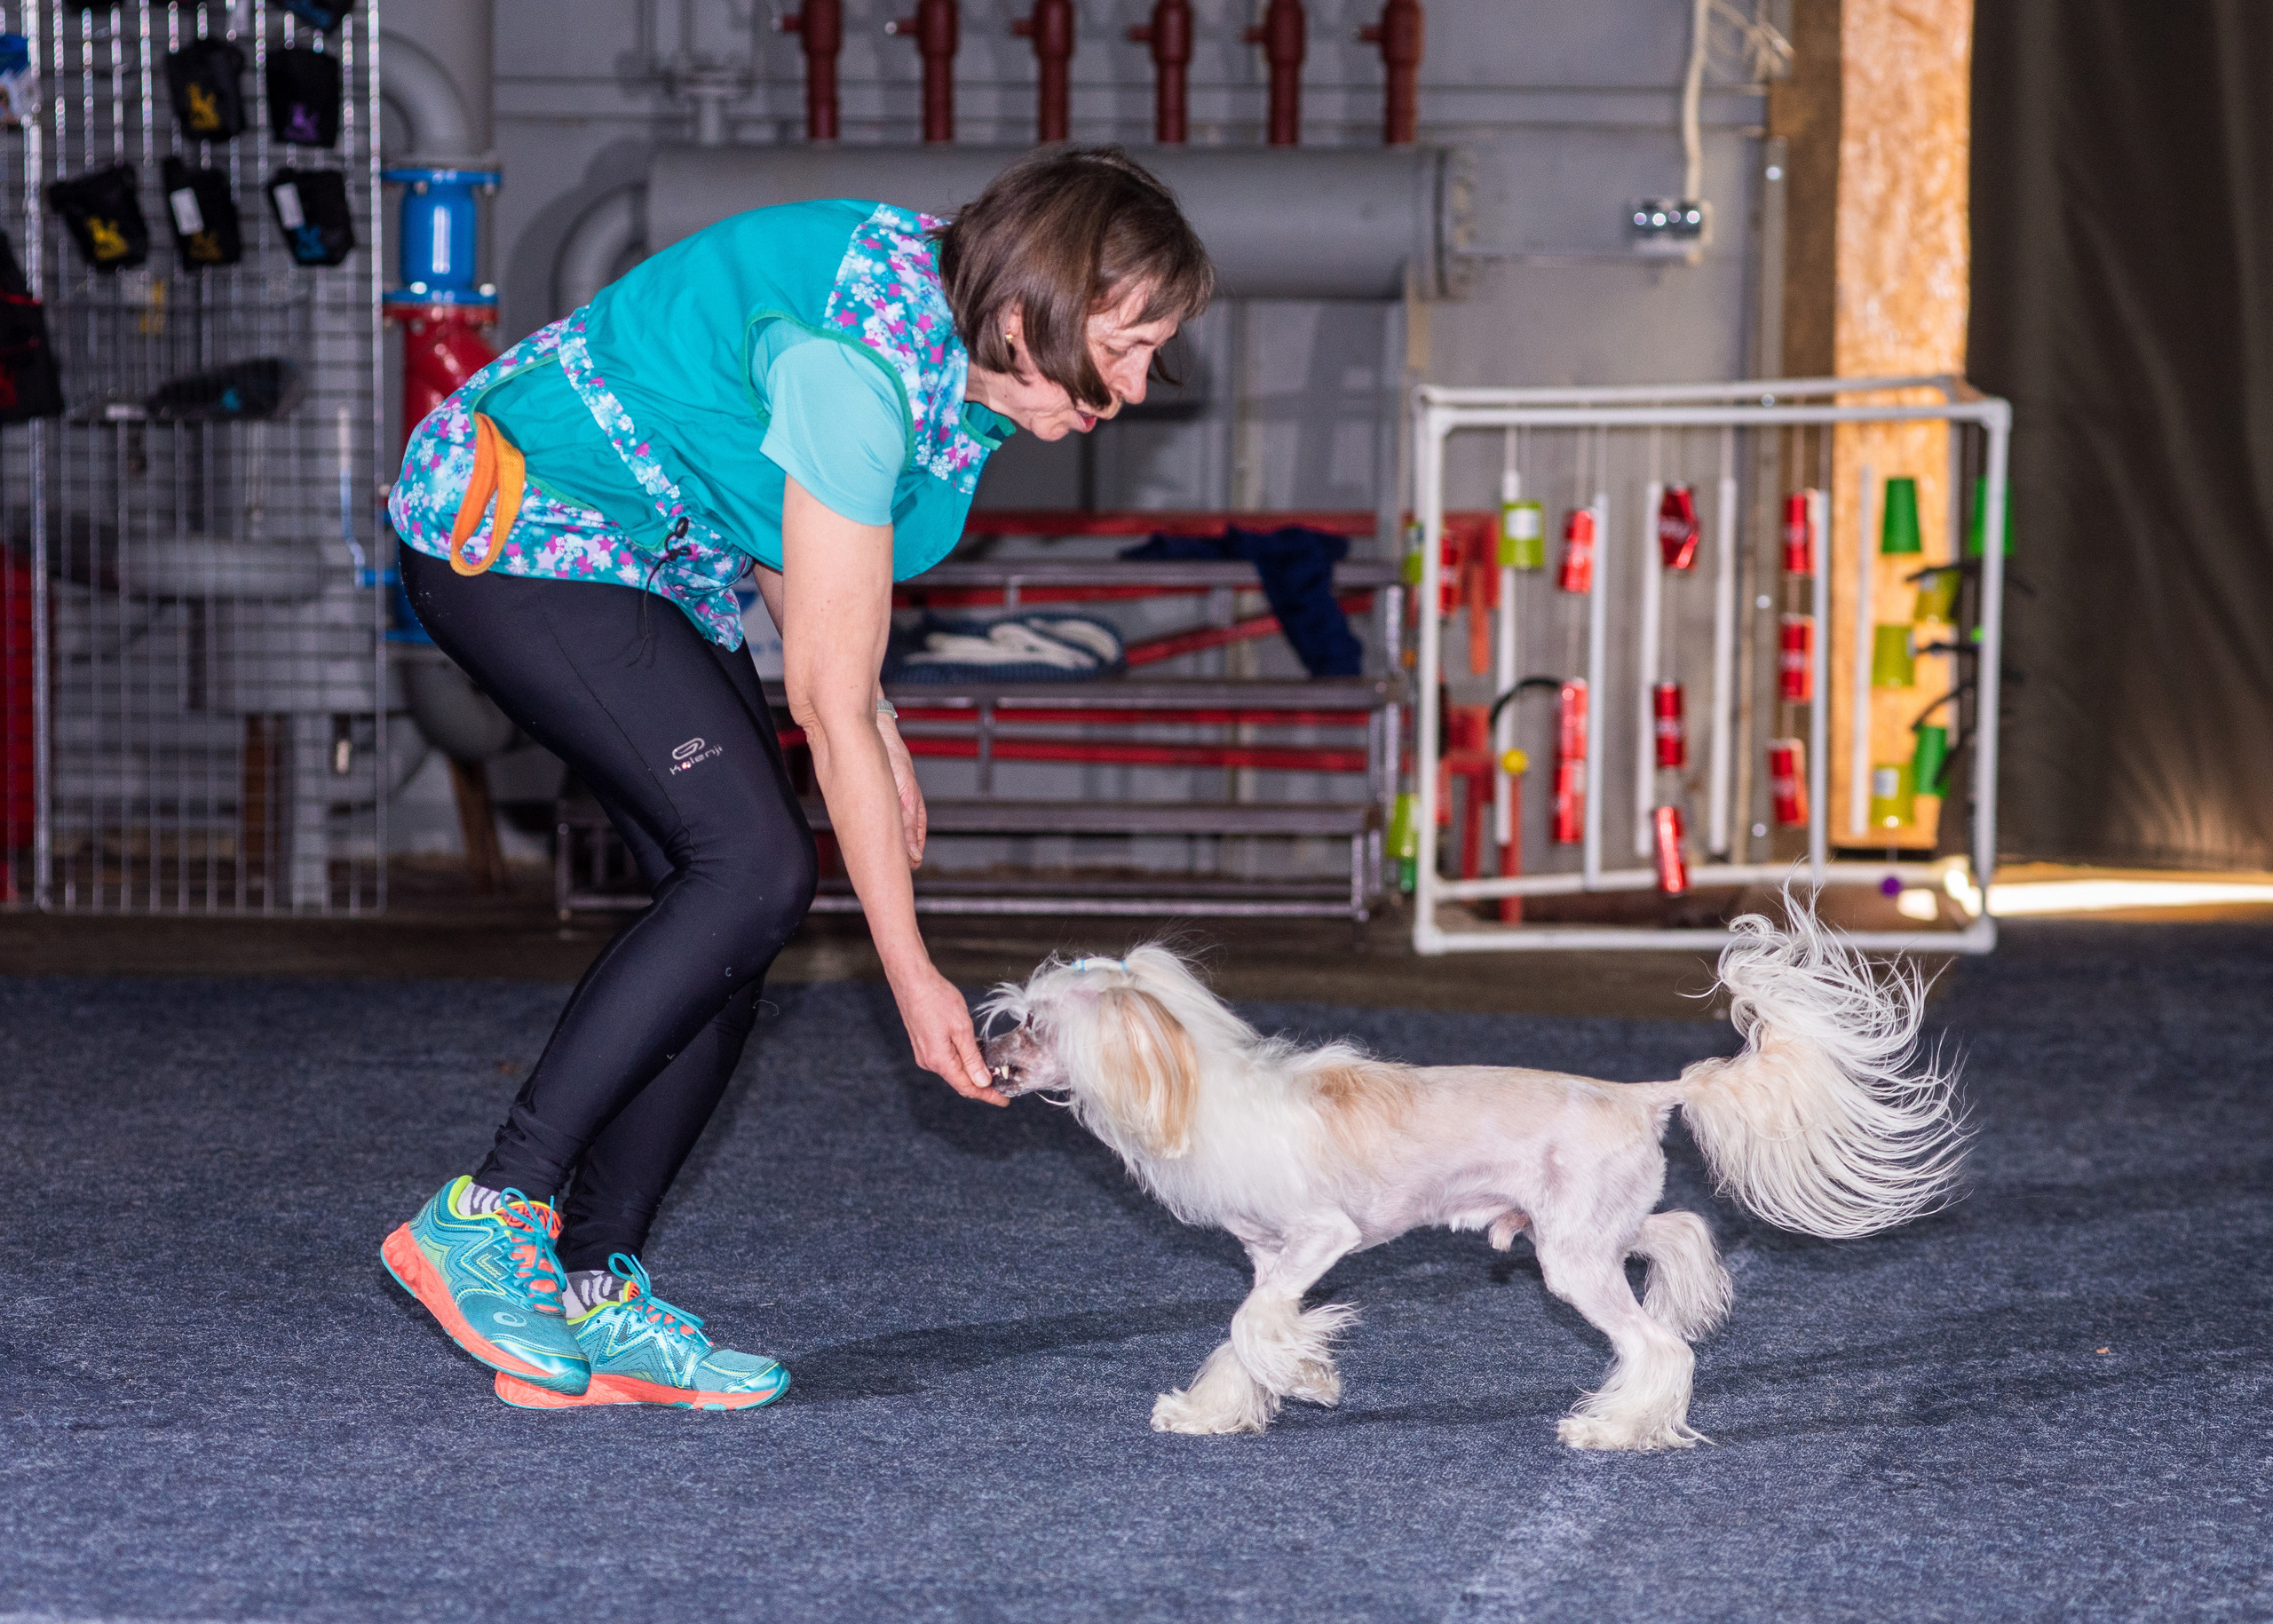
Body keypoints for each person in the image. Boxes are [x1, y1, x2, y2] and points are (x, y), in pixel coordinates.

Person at [377, 147, 1215, 1410]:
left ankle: (592, 1289)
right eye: (1132, 342)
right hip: (520, 528)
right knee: (756, 866)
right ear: (1025, 310)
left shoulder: (950, 347)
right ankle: (490, 1213)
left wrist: (879, 720)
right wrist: (910, 971)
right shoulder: (860, 367)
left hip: (648, 557)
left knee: (724, 903)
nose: (1143, 385)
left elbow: (799, 546)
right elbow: (816, 694)